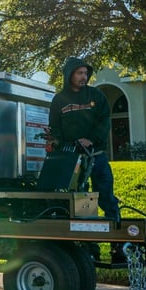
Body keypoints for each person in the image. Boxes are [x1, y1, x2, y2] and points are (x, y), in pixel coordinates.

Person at [48, 57, 124, 263]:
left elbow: (104, 120)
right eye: (79, 73)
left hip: (97, 158)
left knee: (107, 198)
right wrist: (60, 143)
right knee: (84, 203)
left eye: (86, 73)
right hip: (74, 160)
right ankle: (91, 249)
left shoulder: (95, 95)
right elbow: (55, 129)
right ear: (69, 74)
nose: (83, 77)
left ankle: (118, 248)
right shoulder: (59, 100)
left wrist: (91, 140)